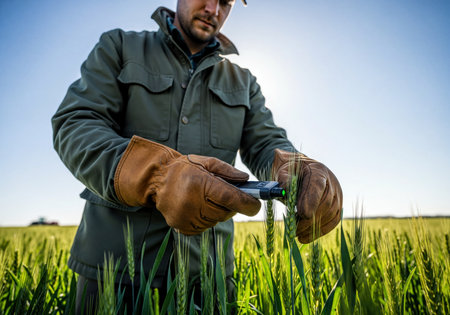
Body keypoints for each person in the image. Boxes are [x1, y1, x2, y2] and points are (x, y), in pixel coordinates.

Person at [52, 0, 343, 312]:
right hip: (112, 270)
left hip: (209, 275)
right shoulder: (121, 47)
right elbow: (76, 125)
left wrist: (294, 166)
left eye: (227, 2)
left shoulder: (243, 81)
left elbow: (265, 141)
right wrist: (157, 177)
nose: (214, 9)